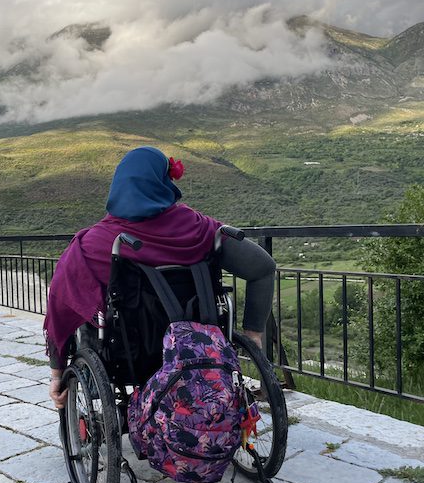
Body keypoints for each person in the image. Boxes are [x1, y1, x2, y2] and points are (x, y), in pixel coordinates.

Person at [44, 146, 276, 408]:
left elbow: (60, 305)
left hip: (131, 356)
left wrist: (56, 374)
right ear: (164, 182)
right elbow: (263, 267)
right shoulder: (201, 229)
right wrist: (253, 336)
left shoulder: (92, 245)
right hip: (198, 348)